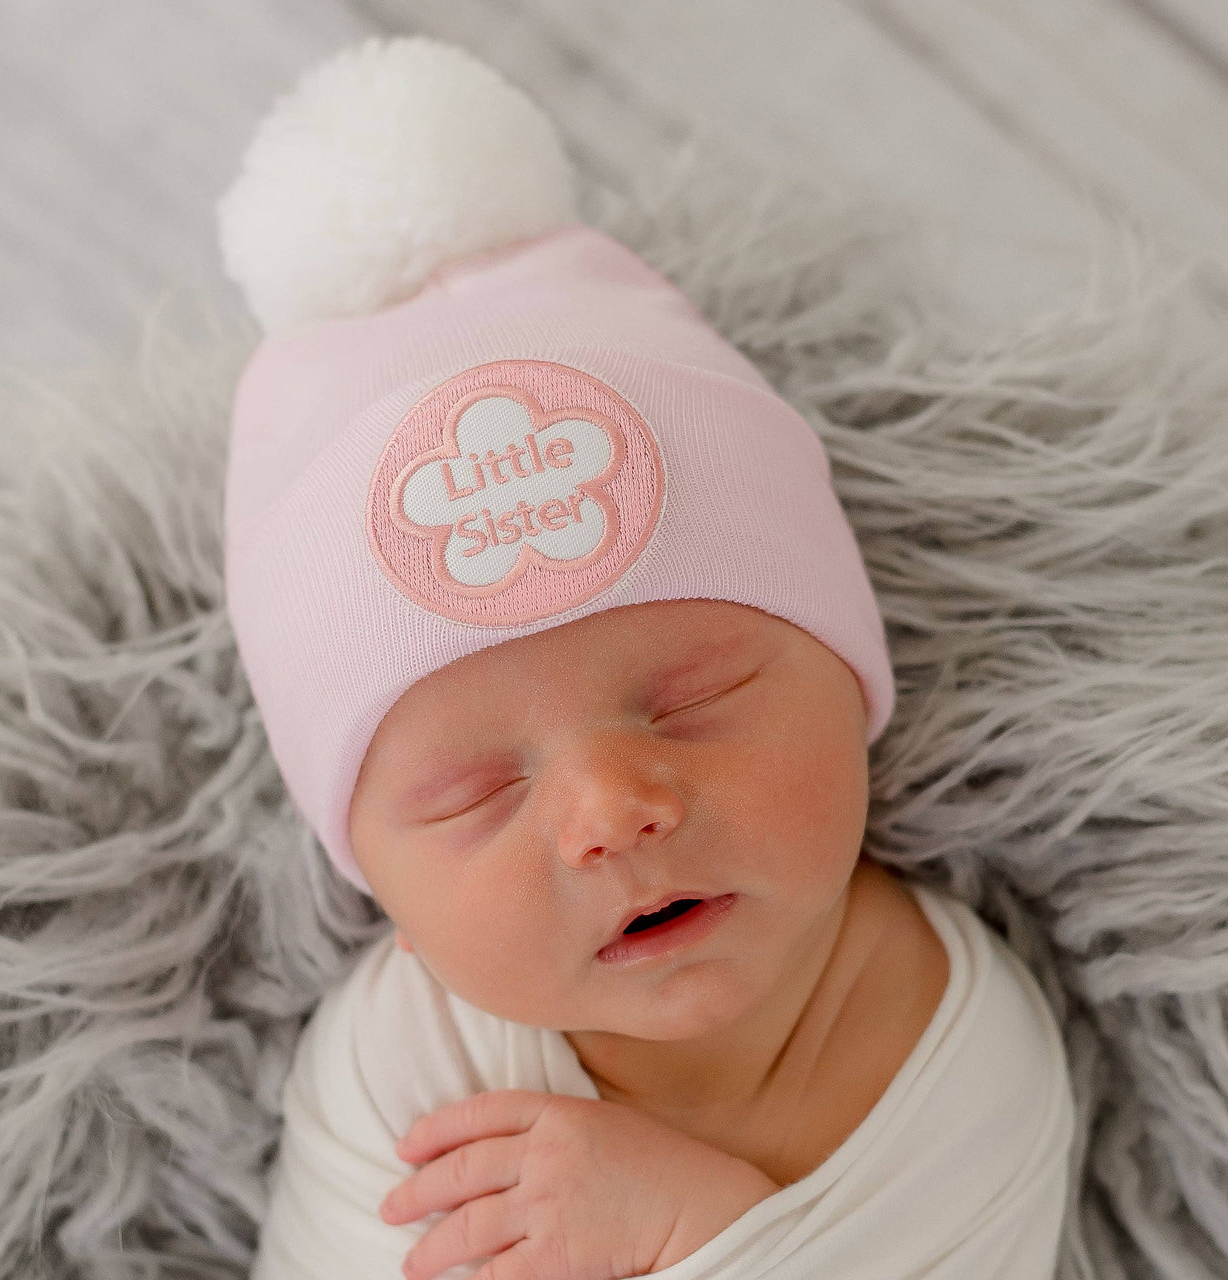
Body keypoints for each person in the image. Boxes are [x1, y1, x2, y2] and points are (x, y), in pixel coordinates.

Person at [216, 34, 1075, 1280]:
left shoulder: (968, 1053)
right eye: (474, 793)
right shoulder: (403, 1073)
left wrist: (705, 1234)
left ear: (848, 682)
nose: (610, 811)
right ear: (387, 901)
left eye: (693, 700)